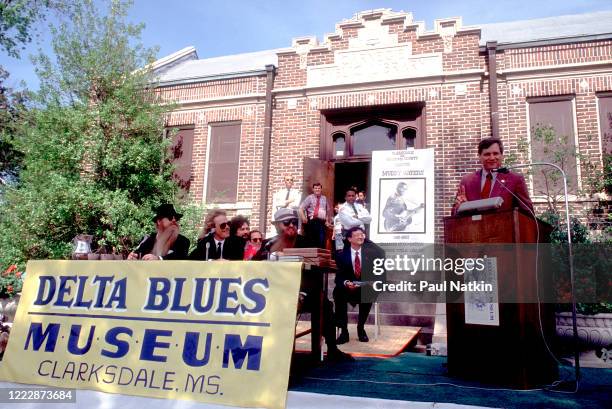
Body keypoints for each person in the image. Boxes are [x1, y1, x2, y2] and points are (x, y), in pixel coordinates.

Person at [254, 208, 352, 362]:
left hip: (303, 292)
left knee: (325, 305)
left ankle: (332, 349)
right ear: (277, 225)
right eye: (287, 222)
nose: (292, 225)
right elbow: (254, 265)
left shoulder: (306, 242)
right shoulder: (269, 244)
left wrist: (302, 293)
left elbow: (316, 273)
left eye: (295, 222)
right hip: (272, 293)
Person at [452, 137, 533, 215]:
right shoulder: (467, 181)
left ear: (501, 155)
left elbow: (528, 213)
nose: (492, 158)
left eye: (495, 153)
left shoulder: (515, 180)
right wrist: (460, 208)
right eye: (487, 154)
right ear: (479, 157)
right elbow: (454, 214)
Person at [334, 226, 385, 343]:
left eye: (362, 234)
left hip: (364, 288)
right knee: (338, 292)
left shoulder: (372, 253)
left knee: (369, 292)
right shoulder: (342, 255)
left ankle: (360, 328)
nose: (361, 236)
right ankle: (344, 331)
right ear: (349, 239)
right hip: (348, 289)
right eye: (357, 235)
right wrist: (346, 283)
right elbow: (339, 277)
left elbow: (379, 270)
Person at [298, 182, 332, 249]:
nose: (317, 190)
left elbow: (327, 211)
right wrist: (303, 217)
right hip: (312, 222)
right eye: (315, 188)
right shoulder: (309, 198)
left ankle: (321, 256)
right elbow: (301, 208)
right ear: (313, 189)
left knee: (321, 241)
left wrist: (327, 221)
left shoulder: (324, 198)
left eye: (319, 188)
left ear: (321, 189)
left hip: (322, 223)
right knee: (312, 241)